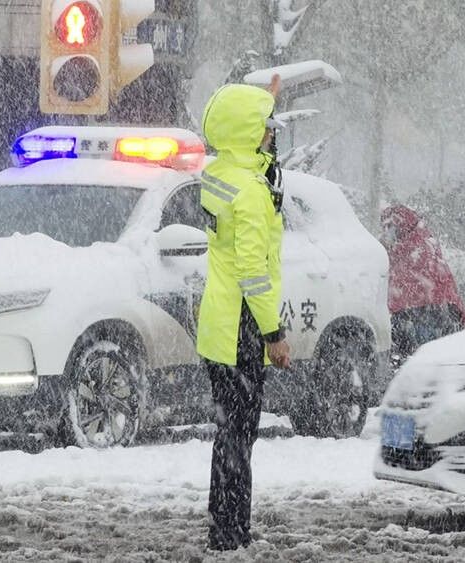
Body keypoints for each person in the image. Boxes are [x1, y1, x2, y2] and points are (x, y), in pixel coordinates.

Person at [196, 77, 290, 552]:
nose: (271, 135)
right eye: (265, 128)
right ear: (248, 132)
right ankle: (232, 532)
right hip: (243, 325)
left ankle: (222, 521)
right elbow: (254, 271)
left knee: (227, 432)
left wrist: (264, 99)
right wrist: (274, 332)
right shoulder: (250, 192)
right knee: (240, 435)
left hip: (217, 322)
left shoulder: (217, 173)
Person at [380, 205, 465, 361]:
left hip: (430, 314)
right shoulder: (422, 241)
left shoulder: (417, 247)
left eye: (390, 226)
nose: (386, 231)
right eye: (384, 227)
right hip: (435, 313)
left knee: (427, 361)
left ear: (401, 225)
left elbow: (407, 285)